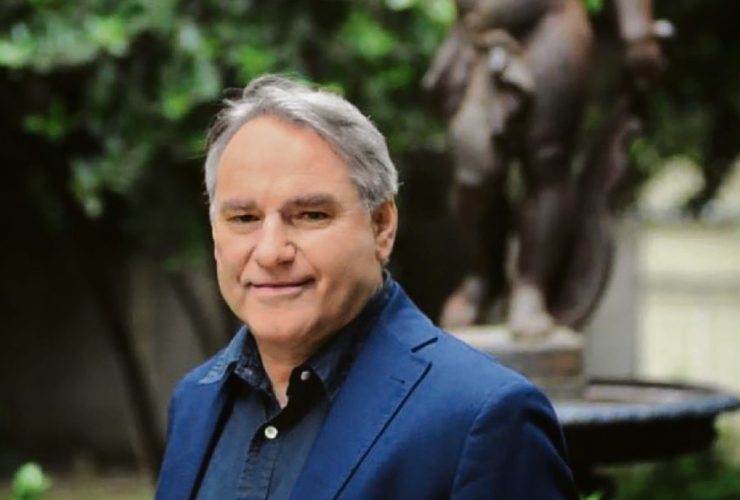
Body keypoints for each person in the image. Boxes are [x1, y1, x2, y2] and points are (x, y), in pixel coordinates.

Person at [156, 74, 577, 499]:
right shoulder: (194, 403)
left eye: (310, 215)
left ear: (381, 226)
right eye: (244, 219)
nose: (270, 252)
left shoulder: (485, 418)